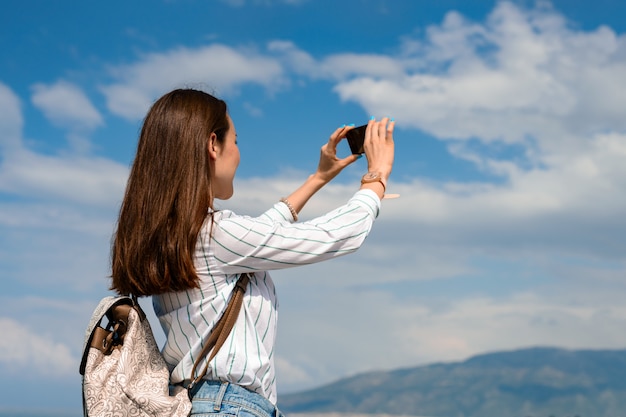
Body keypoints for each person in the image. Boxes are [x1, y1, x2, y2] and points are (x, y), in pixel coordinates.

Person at [110, 88, 395, 417]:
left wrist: (318, 178)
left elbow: (259, 236)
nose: (239, 153)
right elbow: (336, 235)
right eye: (236, 141)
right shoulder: (216, 234)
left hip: (192, 403)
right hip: (227, 406)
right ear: (212, 145)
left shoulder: (175, 238)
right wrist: (377, 177)